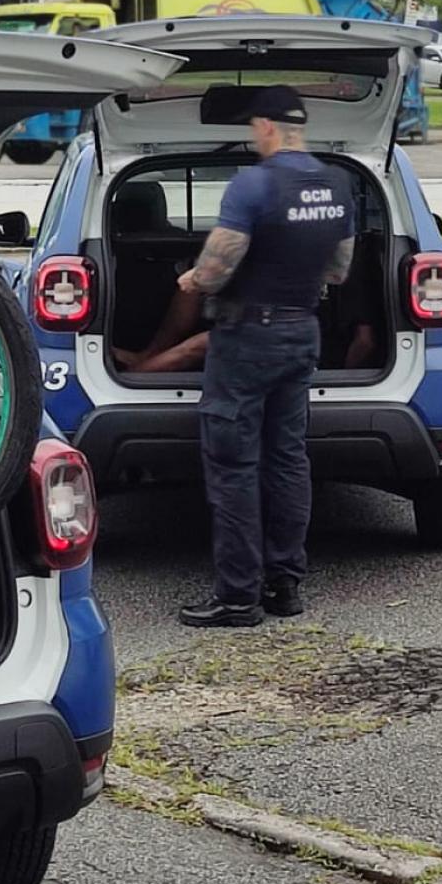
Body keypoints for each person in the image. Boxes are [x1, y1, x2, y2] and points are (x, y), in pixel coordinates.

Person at [177, 85, 356, 629]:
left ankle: (237, 598)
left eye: (255, 129)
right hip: (302, 331)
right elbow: (339, 270)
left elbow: (214, 271)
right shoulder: (338, 182)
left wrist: (190, 280)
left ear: (267, 126)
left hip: (247, 340)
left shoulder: (252, 184)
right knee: (287, 460)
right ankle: (285, 586)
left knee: (234, 466)